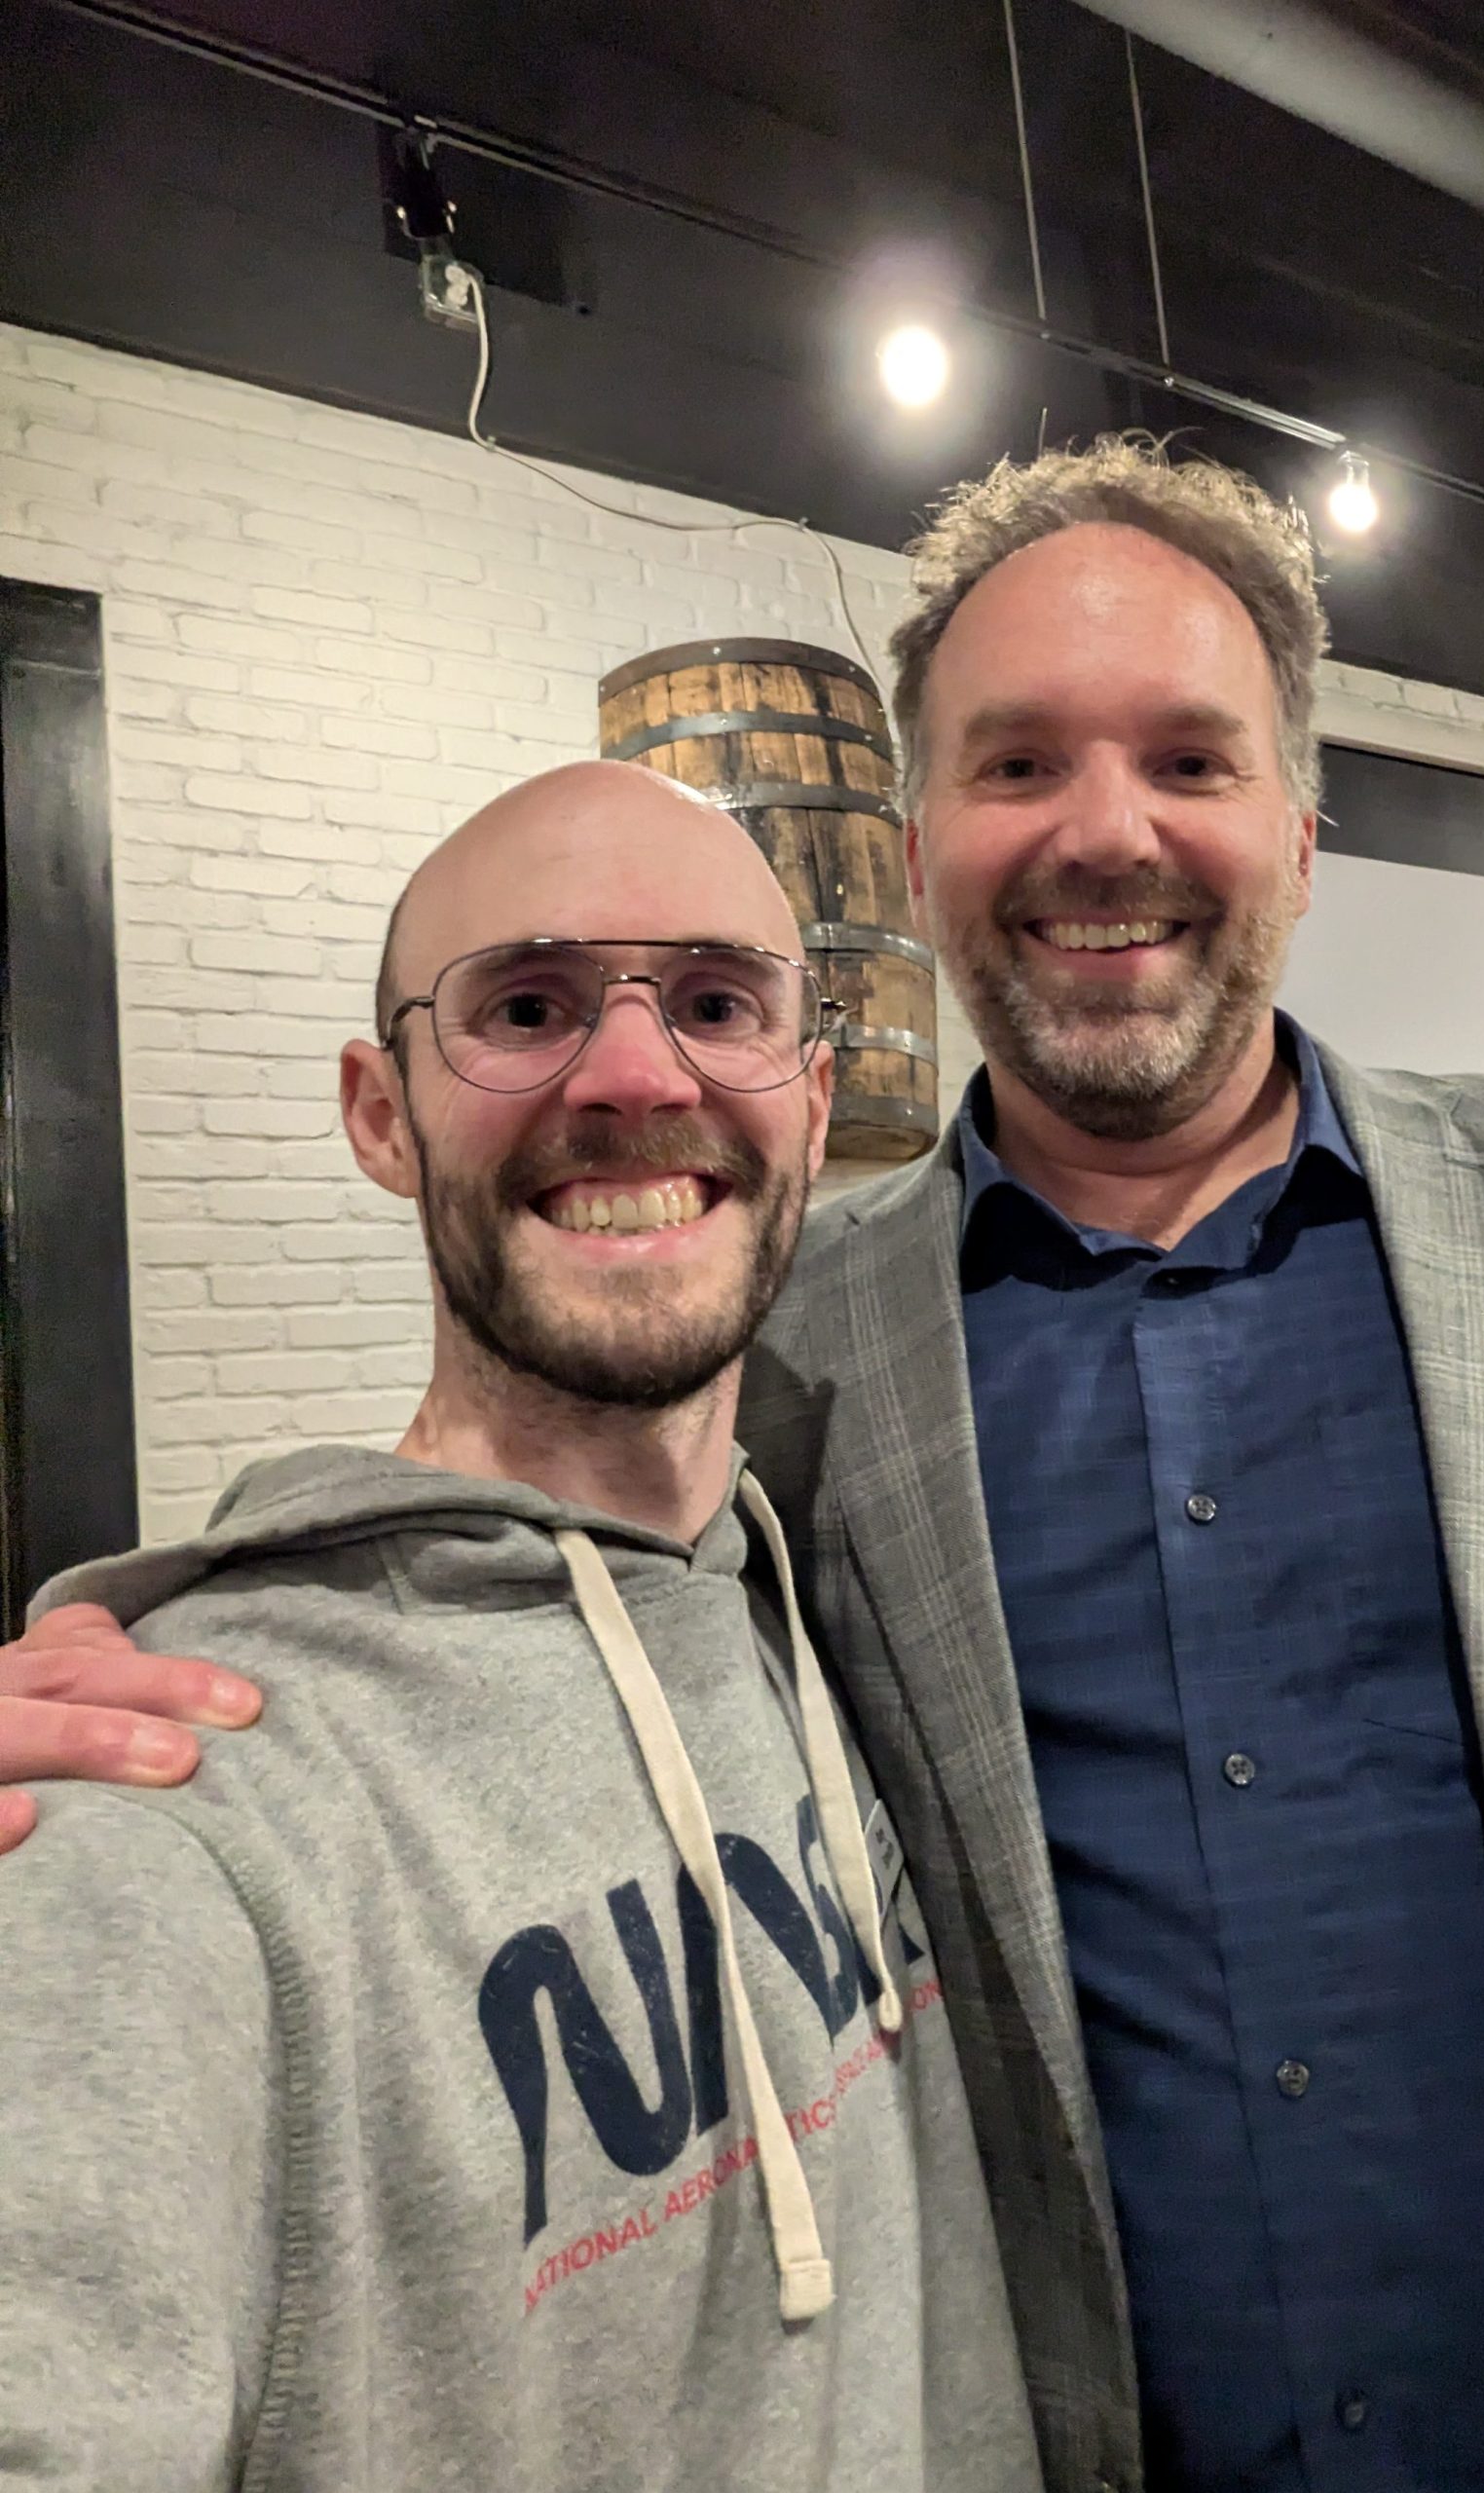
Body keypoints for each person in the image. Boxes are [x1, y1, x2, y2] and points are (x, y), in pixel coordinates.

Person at [7, 435, 1484, 2493]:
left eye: (1188, 757)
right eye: (1013, 765)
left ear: (1302, 833)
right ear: (907, 851)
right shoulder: (785, 1367)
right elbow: (510, 1603)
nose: (1104, 831)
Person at [0, 761, 1043, 2492]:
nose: (635, 1076)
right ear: (382, 1110)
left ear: (811, 1082)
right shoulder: (164, 1808)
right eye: (528, 1006)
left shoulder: (820, 1599)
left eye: (716, 1002)